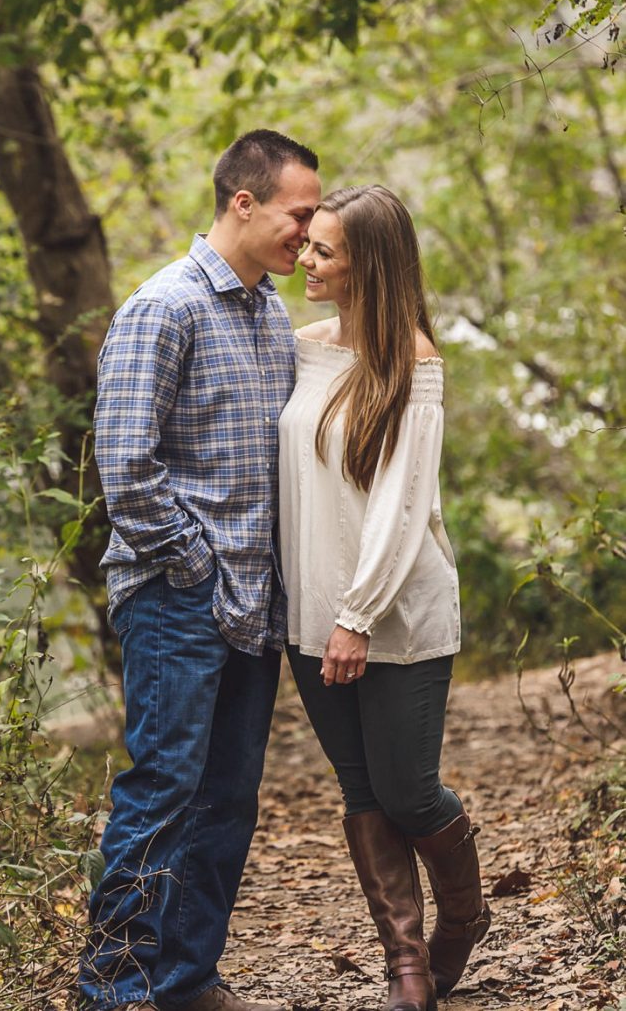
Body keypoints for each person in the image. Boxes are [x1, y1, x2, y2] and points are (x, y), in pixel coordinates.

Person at [78, 130, 322, 1011]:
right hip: (179, 599)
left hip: (252, 605)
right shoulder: (164, 307)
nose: (310, 229)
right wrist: (197, 571)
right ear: (244, 203)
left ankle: (184, 981)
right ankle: (112, 992)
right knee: (162, 794)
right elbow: (126, 468)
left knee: (227, 802)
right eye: (300, 213)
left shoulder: (267, 314)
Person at [280, 186, 490, 1011]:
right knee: (362, 792)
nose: (306, 259)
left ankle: (463, 916)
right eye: (308, 246)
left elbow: (404, 506)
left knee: (408, 789)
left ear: (369, 265)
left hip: (393, 616)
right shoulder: (299, 349)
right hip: (309, 616)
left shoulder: (413, 361)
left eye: (324, 251)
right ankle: (406, 967)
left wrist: (357, 615)